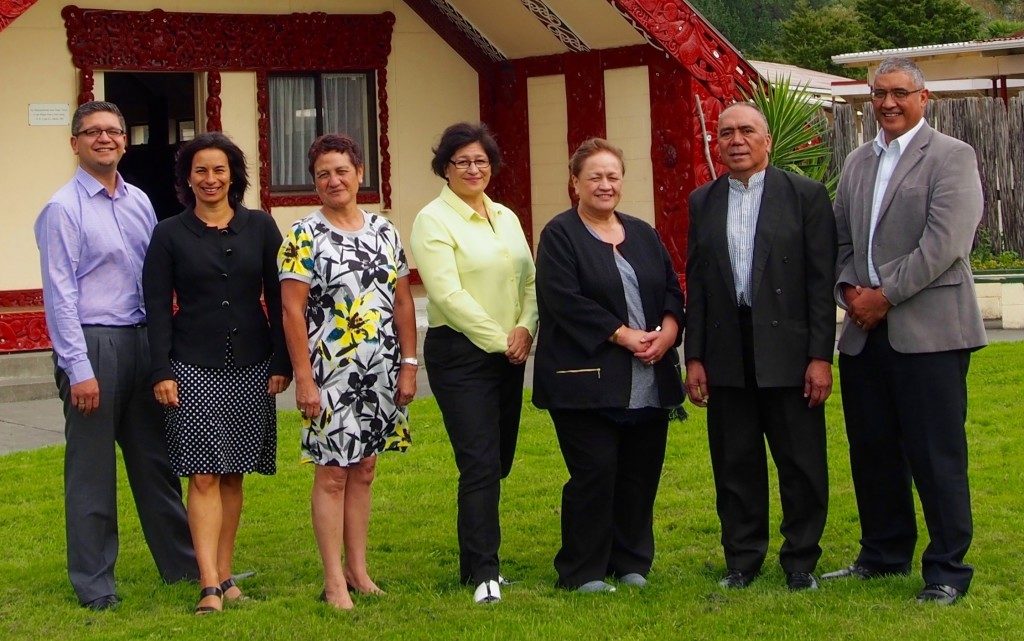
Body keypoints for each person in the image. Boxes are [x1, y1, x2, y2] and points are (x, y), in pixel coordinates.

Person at [822, 57, 986, 606]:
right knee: (872, 451)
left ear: (924, 98)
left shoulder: (951, 157)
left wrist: (883, 296)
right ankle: (883, 554)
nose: (887, 103)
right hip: (866, 335)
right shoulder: (857, 162)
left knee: (936, 453)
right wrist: (850, 292)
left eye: (898, 93)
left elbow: (945, 245)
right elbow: (841, 239)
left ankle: (946, 569)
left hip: (929, 333)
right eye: (878, 94)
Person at [33, 101, 197, 610]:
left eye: (113, 131)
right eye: (92, 132)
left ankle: (186, 567)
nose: (104, 138)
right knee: (92, 473)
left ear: (125, 140)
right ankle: (95, 584)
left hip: (142, 341)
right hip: (93, 344)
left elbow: (153, 278)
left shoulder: (139, 202)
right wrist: (77, 369)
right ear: (75, 143)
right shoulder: (63, 209)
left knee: (157, 464)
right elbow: (59, 294)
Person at [684, 103, 835, 591]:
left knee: (801, 463)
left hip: (790, 351)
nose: (736, 140)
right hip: (728, 349)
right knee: (735, 462)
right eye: (726, 133)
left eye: (747, 130)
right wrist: (696, 356)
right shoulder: (702, 201)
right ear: (716, 144)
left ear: (767, 140)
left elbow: (819, 282)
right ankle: (742, 561)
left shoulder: (804, 196)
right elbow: (700, 285)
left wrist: (819, 357)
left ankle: (800, 563)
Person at [143, 132, 292, 614]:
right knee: (203, 474)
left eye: (220, 170)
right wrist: (161, 369)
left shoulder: (263, 228)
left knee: (232, 476)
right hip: (191, 366)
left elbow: (281, 297)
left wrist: (282, 360)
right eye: (201, 170)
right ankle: (208, 583)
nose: (211, 179)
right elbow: (157, 308)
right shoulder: (168, 234)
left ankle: (226, 574)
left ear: (234, 175)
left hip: (252, 365)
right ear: (187, 178)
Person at [533, 138, 685, 593]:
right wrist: (623, 334)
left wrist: (670, 330)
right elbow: (563, 301)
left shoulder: (642, 231)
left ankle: (632, 560)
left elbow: (671, 289)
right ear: (575, 183)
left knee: (640, 474)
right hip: (586, 380)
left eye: (612, 176)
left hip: (649, 374)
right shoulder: (560, 235)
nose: (604, 185)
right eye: (594, 176)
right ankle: (583, 571)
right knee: (595, 473)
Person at [278, 134, 416, 611]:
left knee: (366, 469)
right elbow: (292, 312)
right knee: (332, 473)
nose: (333, 180)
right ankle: (333, 580)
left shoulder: (385, 232)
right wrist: (304, 378)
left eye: (341, 171)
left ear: (360, 174)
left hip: (379, 370)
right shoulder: (303, 236)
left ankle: (359, 571)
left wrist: (409, 365)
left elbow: (401, 302)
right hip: (329, 374)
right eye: (322, 174)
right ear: (314, 183)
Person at [409, 122, 538, 605]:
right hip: (461, 353)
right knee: (480, 462)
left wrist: (525, 329)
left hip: (511, 349)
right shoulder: (432, 219)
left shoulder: (504, 215)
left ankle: (472, 562)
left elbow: (529, 279)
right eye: (461, 161)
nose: (472, 168)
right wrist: (501, 338)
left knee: (498, 460)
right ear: (445, 167)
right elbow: (446, 293)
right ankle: (485, 572)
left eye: (480, 160)